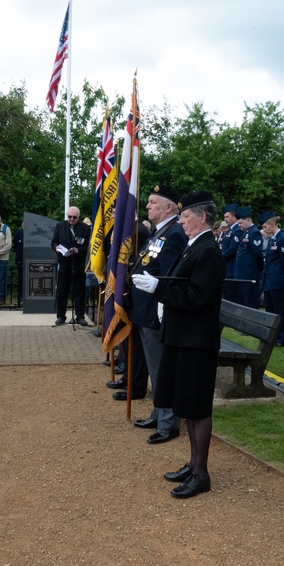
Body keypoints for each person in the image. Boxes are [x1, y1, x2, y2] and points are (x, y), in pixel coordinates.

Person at [132, 190, 226, 499]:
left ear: (201, 217)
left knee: (197, 407)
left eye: (185, 216)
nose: (181, 220)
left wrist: (159, 288)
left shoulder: (208, 249)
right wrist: (162, 288)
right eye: (181, 215)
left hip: (195, 340)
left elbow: (197, 298)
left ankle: (201, 473)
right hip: (182, 336)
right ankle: (193, 463)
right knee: (188, 404)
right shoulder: (193, 245)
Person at [128, 185, 187, 444]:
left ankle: (168, 422)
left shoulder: (174, 233)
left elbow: (170, 276)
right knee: (154, 368)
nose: (148, 206)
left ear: (169, 207)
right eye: (149, 202)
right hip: (144, 309)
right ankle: (158, 412)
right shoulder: (160, 231)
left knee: (161, 368)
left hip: (156, 311)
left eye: (153, 202)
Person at [51, 206, 91, 325]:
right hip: (64, 265)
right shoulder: (60, 226)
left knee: (79, 292)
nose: (72, 219)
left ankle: (80, 316)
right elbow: (53, 242)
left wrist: (78, 251)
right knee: (62, 292)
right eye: (69, 217)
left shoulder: (84, 228)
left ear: (78, 217)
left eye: (74, 217)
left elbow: (88, 246)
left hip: (77, 265)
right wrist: (56, 247)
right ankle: (60, 316)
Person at [258, 211, 284, 347]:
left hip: (277, 281)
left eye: (265, 227)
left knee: (279, 311)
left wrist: (282, 280)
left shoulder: (282, 239)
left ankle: (282, 338)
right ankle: (272, 335)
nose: (264, 230)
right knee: (270, 310)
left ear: (272, 224)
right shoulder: (272, 239)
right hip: (269, 280)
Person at [233, 206, 263, 308]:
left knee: (250, 302)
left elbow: (257, 254)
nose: (239, 225)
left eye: (241, 223)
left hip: (249, 274)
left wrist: (259, 269)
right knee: (242, 303)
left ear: (248, 220)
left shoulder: (254, 232)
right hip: (241, 274)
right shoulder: (245, 233)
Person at [220, 203, 241, 303]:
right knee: (227, 295)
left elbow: (232, 249)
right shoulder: (230, 230)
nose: (225, 219)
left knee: (232, 297)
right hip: (226, 267)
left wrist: (219, 257)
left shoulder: (237, 230)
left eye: (227, 217)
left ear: (234, 216)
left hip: (232, 268)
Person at [0, 212, 12, 305]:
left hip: (3, 258)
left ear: (0, 221)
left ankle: (2, 297)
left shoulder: (5, 228)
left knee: (2, 278)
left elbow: (9, 245)